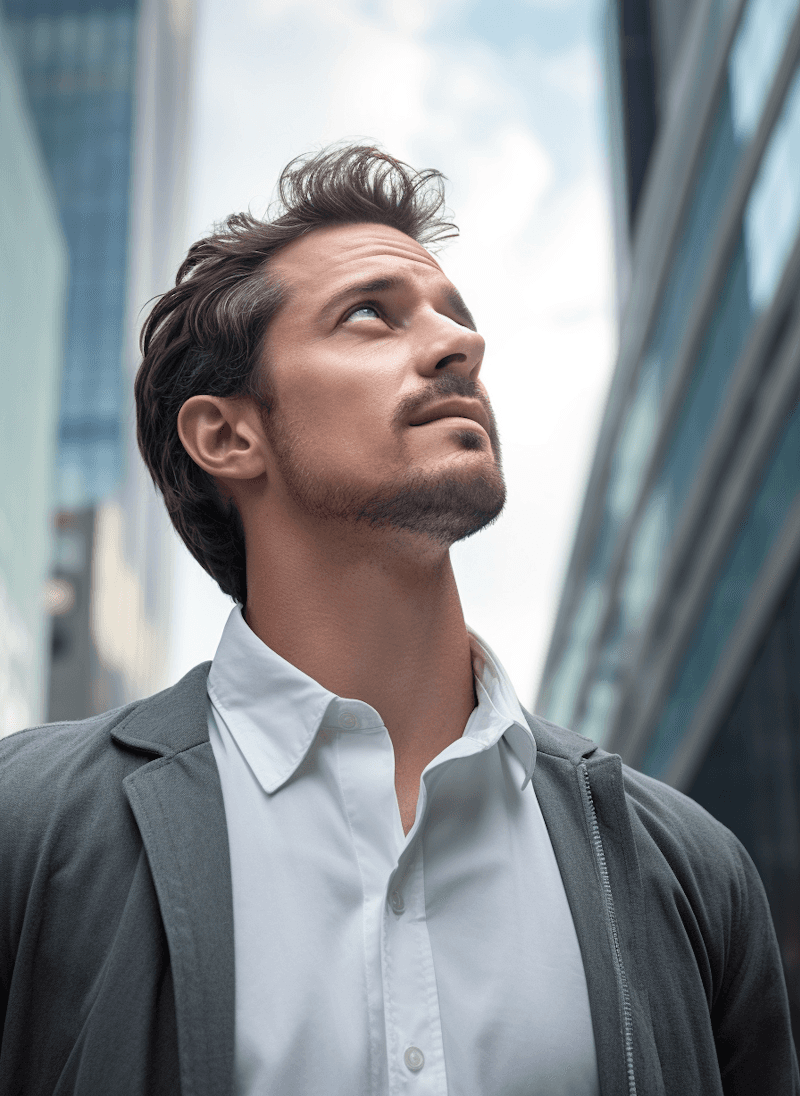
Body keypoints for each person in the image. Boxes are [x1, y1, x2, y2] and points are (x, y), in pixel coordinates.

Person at [0, 146, 796, 1096]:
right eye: (370, 314)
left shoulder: (687, 867)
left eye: (456, 317)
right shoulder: (32, 827)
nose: (462, 345)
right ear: (228, 435)